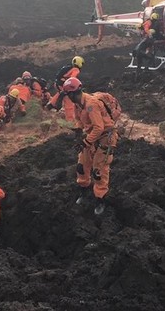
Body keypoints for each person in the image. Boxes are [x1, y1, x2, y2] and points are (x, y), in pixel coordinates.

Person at [62, 77, 119, 215]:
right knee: (82, 165)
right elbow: (80, 121)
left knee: (98, 170)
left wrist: (86, 142)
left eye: (69, 95)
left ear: (74, 93)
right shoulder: (78, 105)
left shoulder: (91, 104)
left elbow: (99, 128)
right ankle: (84, 190)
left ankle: (101, 199)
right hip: (90, 136)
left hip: (105, 137)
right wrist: (79, 132)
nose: (68, 98)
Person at [48, 56, 83, 121]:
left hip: (58, 84)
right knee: (69, 101)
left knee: (60, 93)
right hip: (63, 84)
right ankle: (70, 120)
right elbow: (72, 79)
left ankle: (51, 104)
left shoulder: (68, 67)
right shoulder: (76, 69)